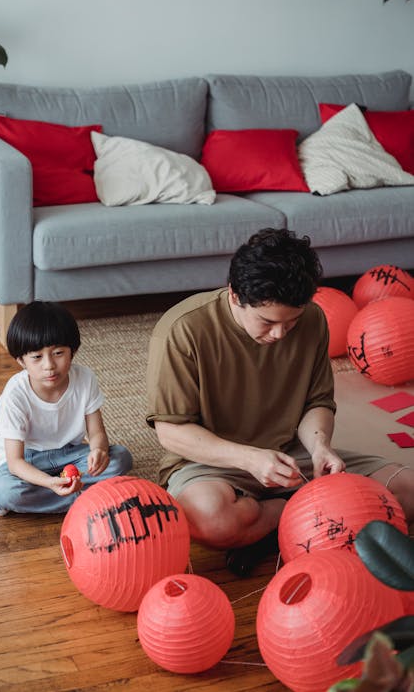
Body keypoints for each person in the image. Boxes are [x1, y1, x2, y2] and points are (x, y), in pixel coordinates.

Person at [146, 228, 414, 576]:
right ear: (234, 295)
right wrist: (249, 458)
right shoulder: (182, 330)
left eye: (292, 322)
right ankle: (314, 519)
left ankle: (281, 525)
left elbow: (316, 401)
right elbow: (171, 432)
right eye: (268, 322)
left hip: (293, 456)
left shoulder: (313, 319)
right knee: (209, 520)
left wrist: (320, 448)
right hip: (214, 462)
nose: (279, 334)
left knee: (407, 492)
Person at [0, 300, 133, 515]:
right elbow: (15, 462)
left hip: (68, 454)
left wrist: (98, 451)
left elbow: (97, 432)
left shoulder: (85, 378)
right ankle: (88, 497)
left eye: (58, 353)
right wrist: (49, 482)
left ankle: (45, 499)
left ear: (73, 351)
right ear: (21, 361)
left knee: (121, 458)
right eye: (36, 357)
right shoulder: (15, 394)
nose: (49, 365)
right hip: (26, 460)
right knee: (7, 492)